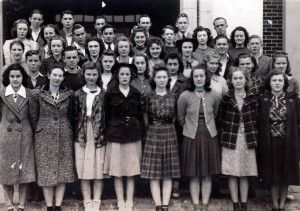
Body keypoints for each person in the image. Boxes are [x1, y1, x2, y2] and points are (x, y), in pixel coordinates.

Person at [29, 65, 77, 211]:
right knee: (46, 172)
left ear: (63, 78)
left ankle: (58, 205)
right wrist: (41, 128)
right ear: (48, 75)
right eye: (54, 75)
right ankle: (49, 206)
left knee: (63, 171)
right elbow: (33, 115)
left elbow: (71, 114)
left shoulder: (68, 94)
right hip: (44, 135)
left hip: (64, 134)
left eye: (60, 76)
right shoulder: (37, 94)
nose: (57, 78)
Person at [177, 65, 221, 211]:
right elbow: (181, 118)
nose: (199, 79)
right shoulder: (185, 96)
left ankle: (205, 205)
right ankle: (196, 205)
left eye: (202, 76)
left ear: (206, 77)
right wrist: (191, 128)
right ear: (192, 79)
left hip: (209, 137)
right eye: (196, 76)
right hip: (191, 137)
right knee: (194, 174)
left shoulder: (214, 95)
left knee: (207, 174)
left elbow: (215, 115)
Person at [258, 70, 300, 210]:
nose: (277, 83)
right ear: (269, 83)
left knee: (285, 174)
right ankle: (275, 205)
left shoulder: (293, 100)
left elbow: (298, 122)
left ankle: (282, 204)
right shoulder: (263, 99)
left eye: (280, 80)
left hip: (287, 142)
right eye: (274, 80)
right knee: (273, 175)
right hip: (270, 143)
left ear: (284, 83)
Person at [104, 63, 143, 211]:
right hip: (115, 135)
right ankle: (121, 201)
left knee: (131, 171)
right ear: (117, 76)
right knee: (118, 171)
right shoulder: (110, 93)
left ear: (131, 76)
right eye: (122, 74)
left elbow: (139, 114)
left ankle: (129, 201)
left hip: (133, 134)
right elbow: (107, 115)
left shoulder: (136, 93)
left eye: (127, 74)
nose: (125, 77)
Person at [141, 64, 180, 211]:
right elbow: (145, 117)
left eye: (164, 77)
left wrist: (166, 125)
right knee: (154, 172)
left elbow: (176, 117)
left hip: (170, 132)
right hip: (153, 132)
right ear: (154, 79)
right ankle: (158, 205)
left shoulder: (174, 96)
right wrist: (154, 127)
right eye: (159, 77)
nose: (162, 80)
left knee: (168, 172)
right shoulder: (148, 96)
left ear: (168, 79)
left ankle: (165, 204)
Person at [219, 67, 258, 211]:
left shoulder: (252, 97)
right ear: (231, 80)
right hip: (231, 138)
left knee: (245, 173)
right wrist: (227, 131)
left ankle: (244, 204)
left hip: (247, 138)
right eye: (235, 78)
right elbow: (221, 118)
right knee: (233, 172)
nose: (238, 81)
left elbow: (257, 117)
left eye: (241, 78)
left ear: (246, 80)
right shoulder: (227, 97)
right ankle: (236, 204)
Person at [0, 63, 34, 211]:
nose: (15, 79)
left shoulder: (29, 94)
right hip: (6, 136)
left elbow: (33, 115)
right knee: (6, 170)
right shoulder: (1, 94)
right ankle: (8, 204)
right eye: (12, 76)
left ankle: (21, 204)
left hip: (24, 135)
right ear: (8, 78)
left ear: (22, 77)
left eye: (18, 76)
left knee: (24, 171)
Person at [74, 61, 108, 211]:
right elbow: (74, 115)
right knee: (84, 167)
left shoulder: (103, 94)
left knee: (98, 167)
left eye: (94, 74)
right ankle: (87, 200)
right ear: (84, 75)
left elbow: (107, 115)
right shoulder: (77, 94)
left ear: (98, 75)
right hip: (82, 133)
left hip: (99, 133)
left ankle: (97, 199)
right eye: (88, 74)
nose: (91, 77)